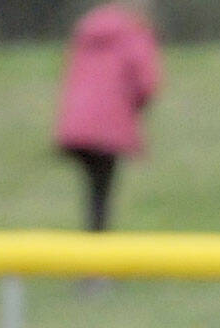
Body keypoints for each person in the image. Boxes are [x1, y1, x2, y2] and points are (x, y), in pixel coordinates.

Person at [54, 2, 161, 232]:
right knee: (102, 191)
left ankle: (93, 247)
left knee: (94, 189)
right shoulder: (135, 33)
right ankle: (97, 257)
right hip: (109, 127)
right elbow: (147, 83)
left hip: (77, 124)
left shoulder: (86, 33)